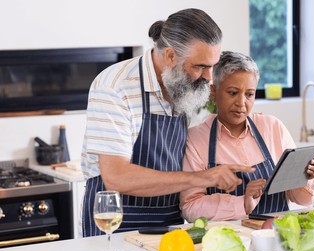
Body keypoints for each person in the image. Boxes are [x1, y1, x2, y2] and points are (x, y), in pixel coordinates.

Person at [80, 9, 254, 237]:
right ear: (171, 56)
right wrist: (203, 177)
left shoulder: (182, 86)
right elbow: (116, 177)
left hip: (171, 219)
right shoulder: (114, 86)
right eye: (200, 66)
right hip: (116, 219)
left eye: (212, 66)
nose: (209, 77)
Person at [180, 51, 314, 222]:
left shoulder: (273, 127)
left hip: (275, 239)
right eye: (233, 93)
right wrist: (242, 203)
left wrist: (306, 177)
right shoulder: (196, 139)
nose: (241, 103)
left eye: (249, 94)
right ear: (213, 92)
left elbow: (303, 199)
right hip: (229, 242)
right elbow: (190, 207)